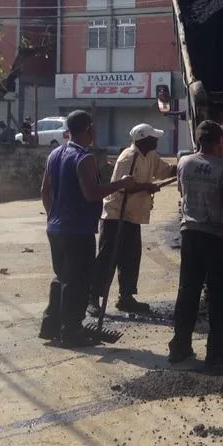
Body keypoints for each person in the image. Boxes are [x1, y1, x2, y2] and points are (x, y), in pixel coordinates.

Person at [39, 109, 138, 347]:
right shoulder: (84, 158)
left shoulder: (55, 154)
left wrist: (53, 215)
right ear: (88, 129)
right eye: (94, 127)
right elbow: (91, 193)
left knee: (61, 277)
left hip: (56, 228)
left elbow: (45, 191)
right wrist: (120, 184)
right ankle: (71, 331)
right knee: (78, 281)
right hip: (78, 230)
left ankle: (51, 325)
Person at [169, 119, 223, 368]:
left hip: (190, 233)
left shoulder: (184, 163)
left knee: (188, 291)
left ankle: (179, 347)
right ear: (218, 142)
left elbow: (182, 192)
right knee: (220, 295)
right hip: (217, 236)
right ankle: (217, 352)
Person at [90, 124, 173, 316]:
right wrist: (147, 187)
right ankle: (92, 297)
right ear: (143, 140)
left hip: (133, 216)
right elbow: (122, 187)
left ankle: (126, 297)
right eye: (153, 138)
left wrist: (185, 166)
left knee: (131, 258)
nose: (157, 140)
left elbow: (165, 171)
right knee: (107, 259)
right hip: (116, 215)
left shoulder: (150, 156)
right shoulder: (128, 157)